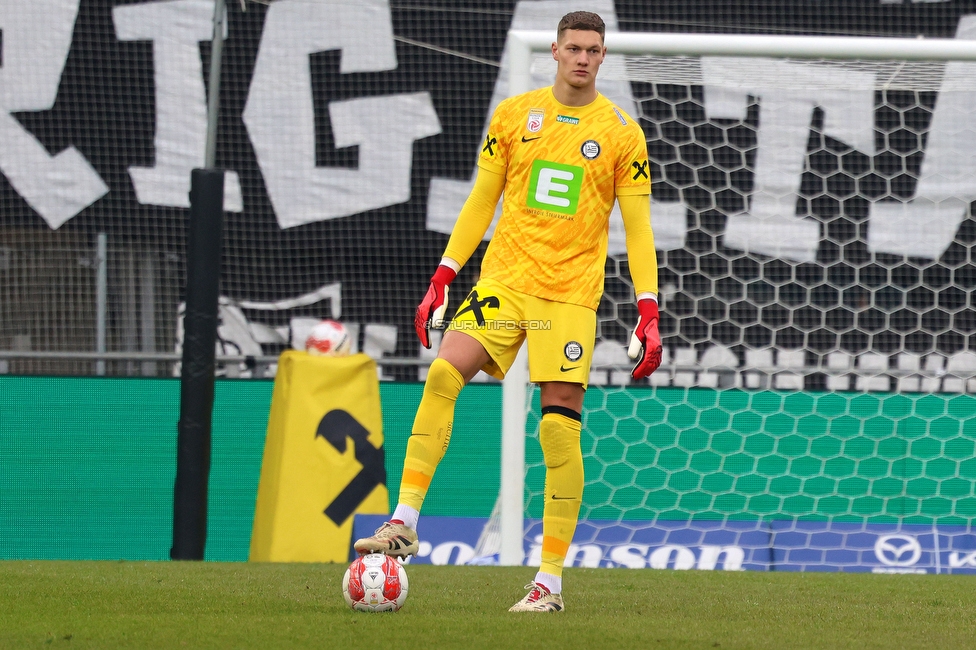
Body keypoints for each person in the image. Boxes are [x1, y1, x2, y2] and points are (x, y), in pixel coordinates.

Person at [355, 10, 662, 613]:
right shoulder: (515, 115)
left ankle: (548, 581)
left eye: (593, 50)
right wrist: (445, 273)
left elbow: (640, 228)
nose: (582, 58)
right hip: (504, 282)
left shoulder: (624, 134)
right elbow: (481, 201)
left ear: (603, 56)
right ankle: (404, 521)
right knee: (444, 372)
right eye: (573, 47)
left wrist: (648, 308)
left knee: (556, 427)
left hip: (569, 296)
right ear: (554, 51)